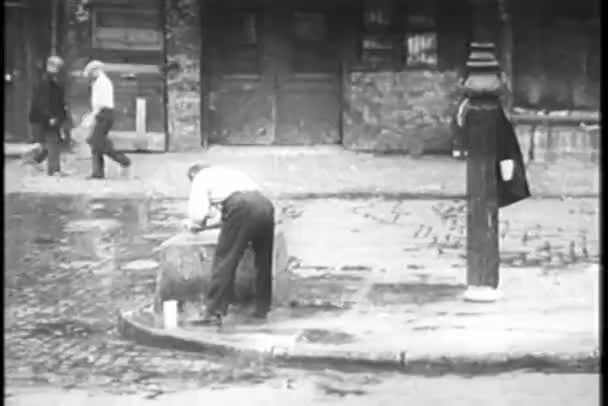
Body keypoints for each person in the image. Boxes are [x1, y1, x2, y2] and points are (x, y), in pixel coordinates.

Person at [184, 163, 275, 325]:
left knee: (225, 259)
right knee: (263, 260)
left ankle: (213, 312)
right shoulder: (230, 173)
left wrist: (194, 225)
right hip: (265, 205)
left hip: (241, 208)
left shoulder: (200, 177)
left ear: (192, 176)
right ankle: (262, 308)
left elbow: (199, 214)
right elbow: (235, 214)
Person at [453, 91, 531, 209]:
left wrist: (459, 146)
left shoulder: (468, 104)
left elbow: (459, 123)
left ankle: (487, 200)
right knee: (499, 167)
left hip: (479, 148)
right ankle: (498, 195)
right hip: (494, 145)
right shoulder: (497, 105)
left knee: (484, 175)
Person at [81, 60, 131, 179]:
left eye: (92, 72)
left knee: (97, 142)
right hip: (103, 113)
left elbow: (101, 103)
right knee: (96, 142)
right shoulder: (99, 82)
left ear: (97, 70)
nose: (91, 75)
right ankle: (97, 172)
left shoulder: (102, 83)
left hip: (104, 114)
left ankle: (123, 160)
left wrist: (92, 116)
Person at [27, 55, 68, 176]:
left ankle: (35, 161)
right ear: (50, 66)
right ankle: (54, 170)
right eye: (56, 66)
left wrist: (61, 114)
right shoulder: (47, 81)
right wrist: (50, 116)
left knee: (50, 143)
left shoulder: (52, 80)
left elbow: (56, 100)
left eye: (59, 66)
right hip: (47, 117)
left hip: (49, 116)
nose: (58, 68)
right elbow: (44, 101)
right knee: (53, 141)